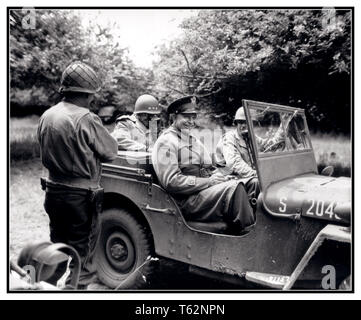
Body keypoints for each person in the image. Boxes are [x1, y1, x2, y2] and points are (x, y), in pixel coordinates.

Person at [37, 61, 118, 289]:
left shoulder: (47, 115)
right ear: (89, 94)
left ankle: (45, 287)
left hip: (53, 191)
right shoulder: (87, 118)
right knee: (83, 255)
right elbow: (110, 152)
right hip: (80, 197)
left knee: (58, 248)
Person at [152, 96, 255, 233]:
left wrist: (221, 177)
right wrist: (209, 182)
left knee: (253, 183)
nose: (191, 121)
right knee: (236, 189)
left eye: (193, 117)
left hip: (202, 193)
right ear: (174, 117)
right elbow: (171, 181)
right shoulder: (166, 142)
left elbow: (210, 169)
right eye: (186, 117)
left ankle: (261, 224)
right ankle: (250, 234)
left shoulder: (194, 140)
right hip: (186, 201)